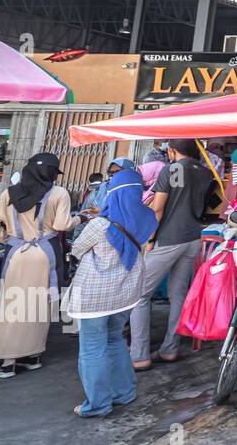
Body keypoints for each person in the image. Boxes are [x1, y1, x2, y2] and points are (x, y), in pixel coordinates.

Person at [65, 165, 156, 417]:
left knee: (92, 347)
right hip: (126, 292)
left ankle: (97, 404)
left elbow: (77, 249)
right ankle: (124, 393)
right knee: (115, 339)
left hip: (94, 295)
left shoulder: (100, 224)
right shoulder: (148, 218)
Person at [0, 153, 78, 378]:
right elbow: (63, 224)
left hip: (18, 255)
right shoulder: (59, 193)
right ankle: (32, 356)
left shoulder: (9, 193)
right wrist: (79, 219)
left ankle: (7, 363)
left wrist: (10, 239)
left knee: (13, 307)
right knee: (39, 304)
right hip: (46, 255)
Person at [131, 139, 213, 370]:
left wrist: (150, 238)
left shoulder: (172, 168)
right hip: (193, 238)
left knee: (140, 295)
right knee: (178, 293)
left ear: (171, 150)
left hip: (169, 238)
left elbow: (158, 208)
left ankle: (139, 355)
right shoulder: (204, 172)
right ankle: (170, 348)